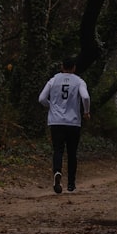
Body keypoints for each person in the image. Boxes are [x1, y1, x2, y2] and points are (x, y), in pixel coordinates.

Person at [38, 56, 91, 193]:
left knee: (58, 150)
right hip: (73, 123)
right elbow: (85, 97)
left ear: (62, 67)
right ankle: (71, 184)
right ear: (74, 68)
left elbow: (42, 98)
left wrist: (51, 106)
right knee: (72, 152)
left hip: (56, 122)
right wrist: (86, 112)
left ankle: (57, 172)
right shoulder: (79, 81)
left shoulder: (53, 80)